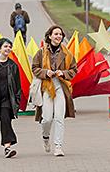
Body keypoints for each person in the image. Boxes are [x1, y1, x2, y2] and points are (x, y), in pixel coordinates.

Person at [32, 25, 77, 157]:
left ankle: (58, 146)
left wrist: (63, 73)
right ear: (50, 36)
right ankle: (45, 137)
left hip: (61, 86)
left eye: (60, 34)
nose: (58, 36)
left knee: (59, 118)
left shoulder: (67, 53)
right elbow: (34, 68)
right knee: (46, 118)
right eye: (56, 34)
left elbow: (74, 69)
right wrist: (46, 72)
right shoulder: (41, 52)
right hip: (47, 86)